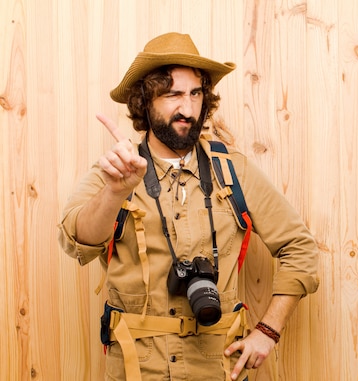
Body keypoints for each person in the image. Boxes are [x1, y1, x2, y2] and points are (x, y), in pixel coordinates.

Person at [58, 32, 319, 381]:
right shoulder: (117, 171)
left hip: (218, 367)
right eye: (173, 94)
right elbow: (77, 241)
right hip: (136, 368)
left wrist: (268, 331)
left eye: (196, 93)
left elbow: (299, 247)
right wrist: (115, 192)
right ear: (144, 101)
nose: (188, 108)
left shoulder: (232, 170)